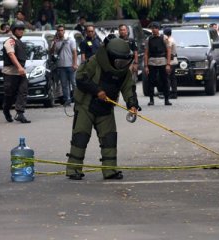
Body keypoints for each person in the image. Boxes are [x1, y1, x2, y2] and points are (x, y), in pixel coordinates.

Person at [65, 37, 140, 180]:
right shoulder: (95, 61)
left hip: (106, 107)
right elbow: (80, 78)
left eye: (124, 62)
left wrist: (132, 105)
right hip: (86, 105)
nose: (122, 65)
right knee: (80, 136)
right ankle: (73, 169)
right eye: (119, 62)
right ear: (111, 58)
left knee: (109, 138)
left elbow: (128, 89)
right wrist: (97, 91)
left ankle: (110, 170)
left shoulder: (123, 72)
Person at [2, 21, 31, 123]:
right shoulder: (10, 41)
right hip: (10, 73)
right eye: (19, 29)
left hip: (21, 72)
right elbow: (11, 55)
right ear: (14, 30)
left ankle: (20, 113)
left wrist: (21, 69)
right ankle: (6, 110)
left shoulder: (20, 42)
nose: (21, 31)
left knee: (23, 91)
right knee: (10, 95)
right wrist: (19, 67)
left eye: (22, 29)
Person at [144, 22, 172, 106]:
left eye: (155, 28)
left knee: (165, 81)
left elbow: (169, 51)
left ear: (158, 29)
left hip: (162, 61)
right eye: (152, 28)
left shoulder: (164, 38)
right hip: (152, 61)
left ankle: (166, 99)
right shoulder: (148, 39)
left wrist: (168, 64)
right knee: (151, 81)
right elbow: (146, 53)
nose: (154, 30)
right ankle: (151, 99)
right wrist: (146, 66)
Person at [50, 25, 78, 106]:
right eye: (59, 30)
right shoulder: (56, 41)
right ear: (57, 31)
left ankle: (77, 99)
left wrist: (75, 64)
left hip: (70, 65)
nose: (60, 32)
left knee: (74, 83)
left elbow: (74, 52)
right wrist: (54, 43)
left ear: (64, 31)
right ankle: (67, 99)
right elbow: (51, 52)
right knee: (64, 84)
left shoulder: (70, 40)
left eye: (62, 30)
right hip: (61, 66)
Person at [163, 27, 178, 99]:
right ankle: (174, 93)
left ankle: (168, 93)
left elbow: (168, 50)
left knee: (168, 78)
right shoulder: (172, 39)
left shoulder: (169, 41)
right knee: (172, 78)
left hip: (171, 61)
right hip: (173, 60)